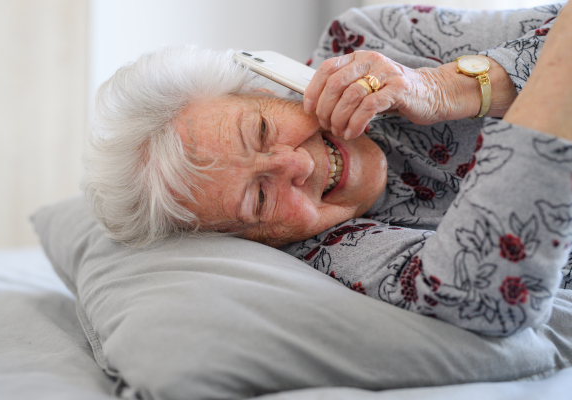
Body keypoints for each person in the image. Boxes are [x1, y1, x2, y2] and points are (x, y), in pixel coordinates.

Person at [83, 3, 572, 337]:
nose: (295, 163)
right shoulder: (327, 254)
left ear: (269, 88)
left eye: (260, 130)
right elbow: (482, 296)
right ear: (251, 241)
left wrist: (444, 88)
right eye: (259, 197)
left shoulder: (365, 39)